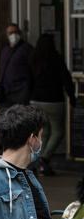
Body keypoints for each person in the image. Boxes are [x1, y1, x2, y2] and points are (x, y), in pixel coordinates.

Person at [30, 33, 76, 176]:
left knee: (45, 132)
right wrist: (72, 97)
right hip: (53, 100)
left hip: (36, 100)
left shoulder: (34, 59)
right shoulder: (56, 58)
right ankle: (44, 159)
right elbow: (66, 79)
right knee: (58, 132)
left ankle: (39, 162)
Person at [0, 23, 33, 110]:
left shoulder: (27, 49)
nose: (13, 35)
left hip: (21, 92)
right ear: (6, 35)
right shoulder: (5, 50)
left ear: (19, 34)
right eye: (10, 33)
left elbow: (32, 69)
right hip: (6, 93)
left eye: (15, 32)